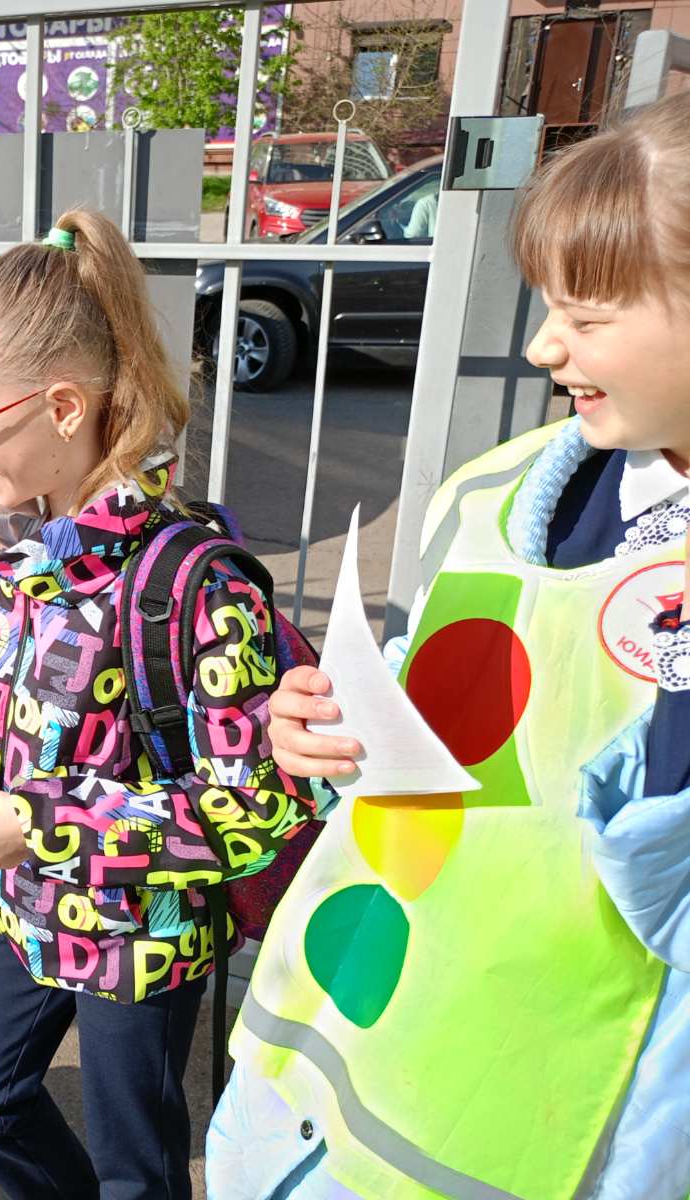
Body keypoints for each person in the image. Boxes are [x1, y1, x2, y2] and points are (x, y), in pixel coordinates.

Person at [207, 92, 690, 1200]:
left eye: (593, 311)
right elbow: (433, 727)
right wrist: (317, 733)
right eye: (548, 303)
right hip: (342, 1043)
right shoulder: (495, 487)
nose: (544, 343)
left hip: (547, 1112)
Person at [0, 209, 325, 1199]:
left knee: (137, 1172)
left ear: (65, 406)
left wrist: (34, 822)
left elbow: (256, 809)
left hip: (143, 936)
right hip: (20, 900)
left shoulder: (194, 584)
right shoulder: (16, 534)